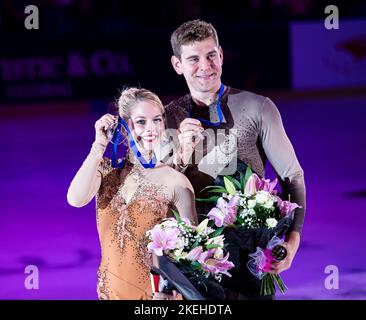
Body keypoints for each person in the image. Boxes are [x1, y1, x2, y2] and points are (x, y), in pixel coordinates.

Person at [162, 19, 306, 300]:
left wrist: (293, 240)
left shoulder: (258, 107)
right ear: (177, 65)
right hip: (192, 256)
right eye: (193, 59)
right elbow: (156, 192)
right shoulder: (168, 117)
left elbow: (293, 176)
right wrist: (179, 152)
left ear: (221, 55)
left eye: (211, 55)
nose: (205, 66)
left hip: (250, 254)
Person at [67, 87, 198, 300]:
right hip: (109, 294)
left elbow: (192, 253)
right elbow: (75, 199)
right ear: (125, 125)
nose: (151, 129)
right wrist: (98, 145)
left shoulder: (175, 181)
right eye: (141, 122)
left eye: (157, 120)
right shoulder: (106, 171)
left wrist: (166, 290)